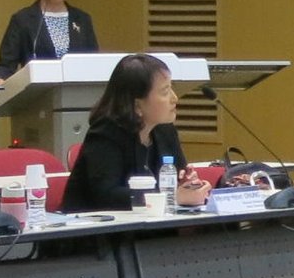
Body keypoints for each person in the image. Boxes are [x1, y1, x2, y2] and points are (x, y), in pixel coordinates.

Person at [60, 53, 209, 214]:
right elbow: (106, 196)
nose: (175, 98)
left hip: (150, 223)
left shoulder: (165, 130)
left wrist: (187, 183)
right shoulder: (105, 134)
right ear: (137, 105)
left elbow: (177, 178)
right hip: (93, 226)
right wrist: (171, 197)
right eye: (165, 92)